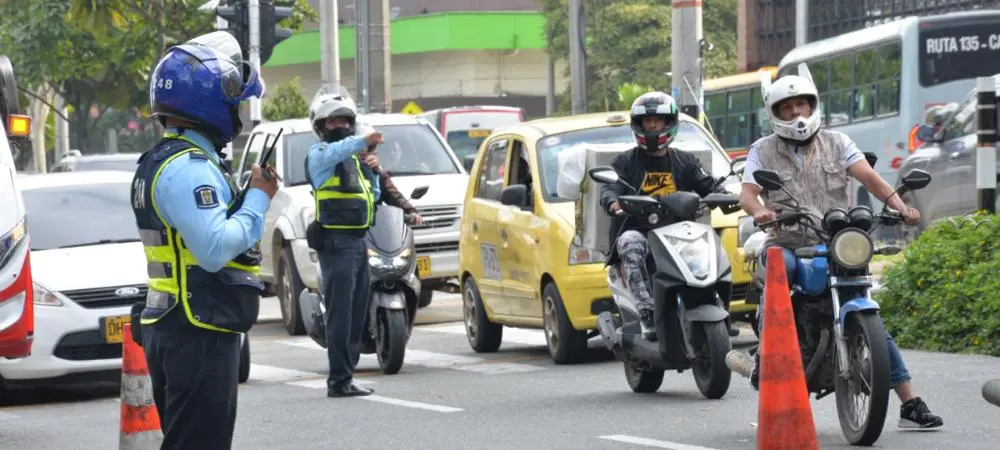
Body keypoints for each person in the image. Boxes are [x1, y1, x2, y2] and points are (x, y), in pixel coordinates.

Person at [739, 70, 944, 429]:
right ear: (774, 112)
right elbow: (748, 194)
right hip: (787, 241)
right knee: (778, 272)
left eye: (802, 103)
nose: (796, 113)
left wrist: (900, 207)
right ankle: (764, 357)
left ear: (813, 104)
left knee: (868, 311)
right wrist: (761, 212)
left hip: (836, 241)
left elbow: (870, 179)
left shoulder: (839, 142)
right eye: (786, 107)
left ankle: (909, 402)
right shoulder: (762, 150)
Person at [130, 31, 278, 450]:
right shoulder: (188, 168)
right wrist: (257, 199)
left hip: (180, 324)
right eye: (234, 104)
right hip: (197, 328)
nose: (238, 114)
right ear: (208, 104)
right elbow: (213, 250)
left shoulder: (162, 161)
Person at [599, 92, 727, 341]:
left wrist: (726, 196)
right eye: (647, 122)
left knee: (710, 241)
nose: (653, 126)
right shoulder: (626, 162)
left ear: (670, 122)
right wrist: (613, 202)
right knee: (630, 242)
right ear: (638, 125)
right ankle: (646, 312)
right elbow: (609, 187)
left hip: (679, 234)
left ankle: (715, 303)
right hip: (641, 231)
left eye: (658, 121)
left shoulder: (685, 161)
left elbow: (708, 185)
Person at [304, 89, 383, 397]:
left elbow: (372, 196)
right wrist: (362, 141)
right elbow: (339, 150)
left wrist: (373, 171)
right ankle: (338, 380)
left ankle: (346, 376)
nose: (339, 125)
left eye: (344, 120)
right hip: (336, 243)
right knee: (340, 313)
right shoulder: (320, 155)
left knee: (356, 312)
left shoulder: (356, 159)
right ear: (321, 127)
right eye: (332, 121)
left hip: (359, 241)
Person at [361, 141, 423, 224]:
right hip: (344, 227)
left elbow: (392, 193)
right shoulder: (344, 168)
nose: (370, 156)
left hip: (371, 228)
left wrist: (410, 211)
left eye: (373, 151)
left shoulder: (378, 172)